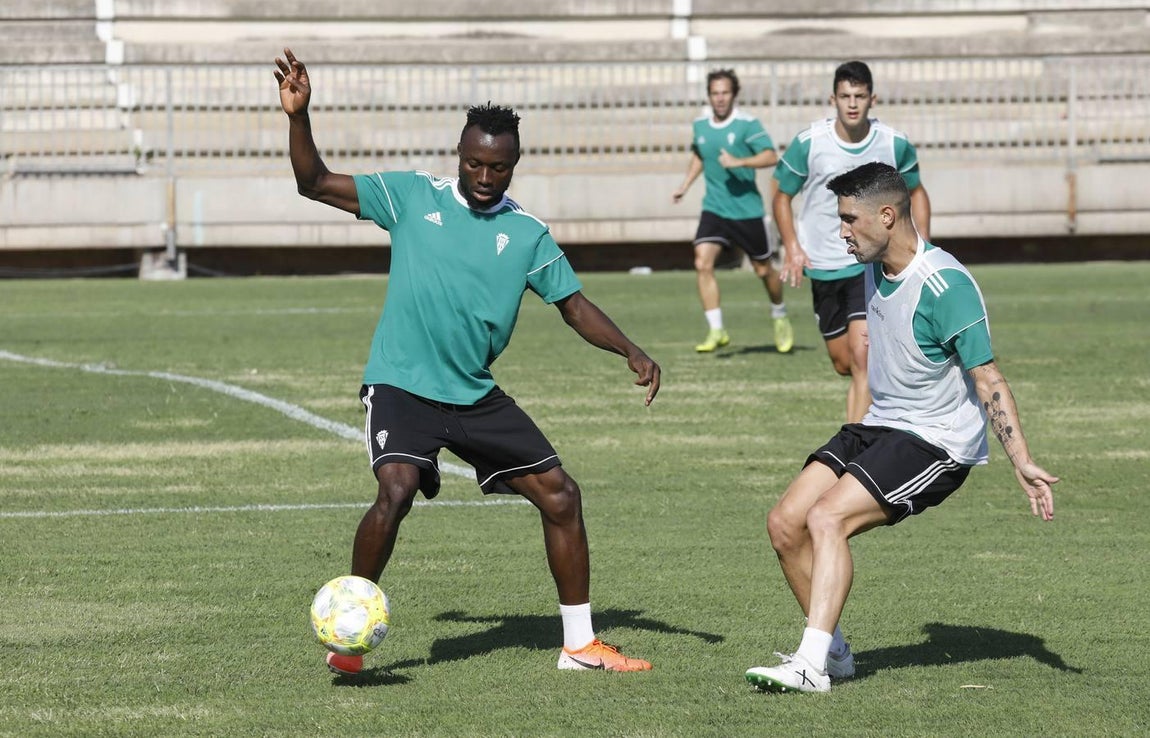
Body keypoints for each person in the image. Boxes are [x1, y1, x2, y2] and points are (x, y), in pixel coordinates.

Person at [274, 48, 661, 675]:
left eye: (499, 167)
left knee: (561, 495)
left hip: (474, 394)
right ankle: (346, 637)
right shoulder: (408, 198)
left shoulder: (529, 234)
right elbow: (313, 182)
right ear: (459, 156)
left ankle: (580, 645)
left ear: (514, 165)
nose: (485, 176)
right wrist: (300, 116)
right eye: (475, 163)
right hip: (402, 384)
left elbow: (574, 306)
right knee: (395, 489)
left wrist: (632, 350)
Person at [745, 162, 1058, 694]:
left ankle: (809, 664)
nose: (841, 230)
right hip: (882, 423)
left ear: (886, 216)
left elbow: (988, 378)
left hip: (936, 441)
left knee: (826, 519)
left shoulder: (945, 285)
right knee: (784, 523)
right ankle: (836, 654)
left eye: (849, 219)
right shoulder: (871, 264)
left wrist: (1021, 460)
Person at [773, 60, 932, 421]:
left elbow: (917, 193)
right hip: (823, 266)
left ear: (872, 99)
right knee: (844, 363)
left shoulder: (894, 143)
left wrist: (921, 248)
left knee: (863, 357)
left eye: (859, 96)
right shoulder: (810, 143)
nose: (852, 103)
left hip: (870, 264)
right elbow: (781, 196)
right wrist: (792, 246)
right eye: (845, 96)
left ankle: (855, 451)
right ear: (833, 98)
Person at [671, 68, 793, 354]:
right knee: (702, 262)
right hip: (714, 209)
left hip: (746, 211)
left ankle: (779, 313)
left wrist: (739, 162)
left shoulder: (747, 125)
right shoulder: (700, 126)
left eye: (725, 92)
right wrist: (685, 185)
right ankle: (716, 328)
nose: (720, 98)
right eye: (715, 93)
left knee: (764, 270)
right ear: (709, 96)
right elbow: (700, 155)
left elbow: (771, 155)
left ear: (734, 94)